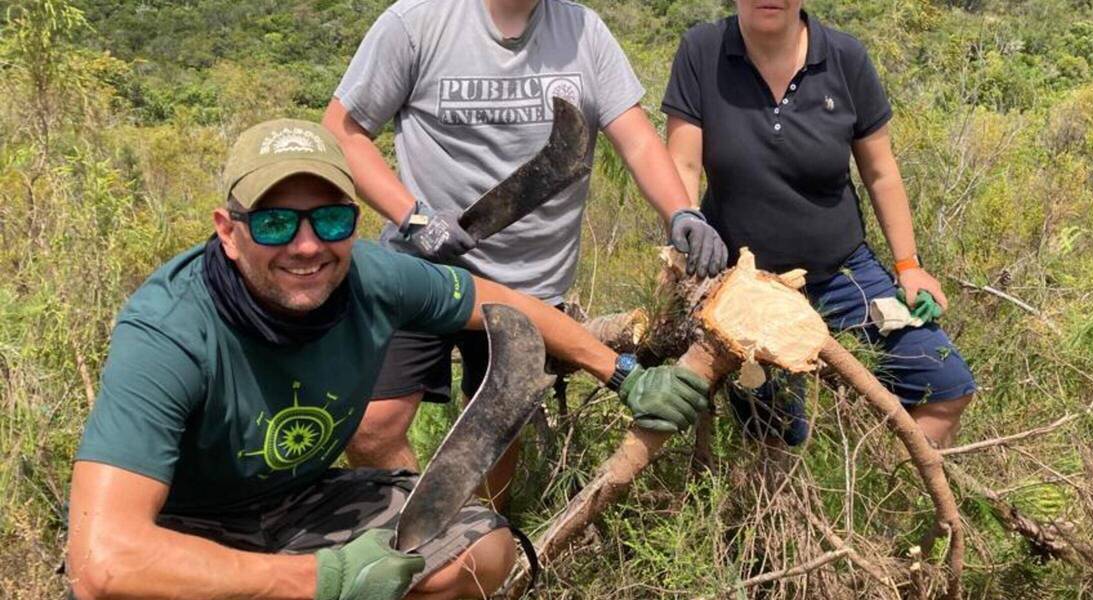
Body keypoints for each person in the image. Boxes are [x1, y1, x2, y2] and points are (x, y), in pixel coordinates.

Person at [65, 119, 711, 600]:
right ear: (228, 232)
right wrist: (322, 579)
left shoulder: (372, 277)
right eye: (274, 225)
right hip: (190, 527)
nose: (307, 245)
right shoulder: (170, 330)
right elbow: (101, 558)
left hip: (300, 501)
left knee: (481, 552)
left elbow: (505, 307)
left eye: (332, 220)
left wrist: (621, 372)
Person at [321, 0, 728, 501]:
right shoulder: (417, 22)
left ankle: (472, 550)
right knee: (371, 427)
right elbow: (342, 132)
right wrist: (415, 216)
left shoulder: (584, 32)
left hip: (530, 285)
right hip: (424, 268)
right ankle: (411, 536)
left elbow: (638, 141)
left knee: (494, 447)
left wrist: (681, 212)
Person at [662, 0, 975, 448]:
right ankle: (786, 507)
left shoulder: (845, 58)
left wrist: (909, 265)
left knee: (945, 386)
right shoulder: (702, 51)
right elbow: (683, 163)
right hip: (744, 286)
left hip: (844, 275)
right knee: (775, 434)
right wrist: (684, 239)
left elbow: (881, 172)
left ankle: (880, 499)